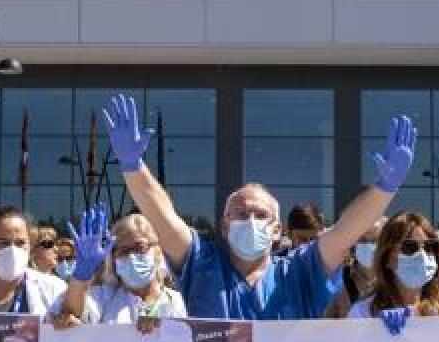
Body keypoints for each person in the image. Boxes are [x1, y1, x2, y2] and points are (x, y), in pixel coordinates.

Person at [104, 93, 415, 321]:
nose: (250, 220)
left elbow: (350, 229)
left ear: (277, 229)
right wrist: (133, 166)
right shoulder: (201, 263)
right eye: (240, 214)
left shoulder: (300, 270)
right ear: (224, 225)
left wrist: (385, 187)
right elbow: (161, 214)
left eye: (261, 215)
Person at [56, 207, 187, 327]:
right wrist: (81, 275)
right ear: (113, 259)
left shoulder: (181, 302)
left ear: (158, 251)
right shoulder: (104, 297)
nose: (131, 256)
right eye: (123, 250)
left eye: (139, 247)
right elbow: (72, 311)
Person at [348, 212, 439, 330]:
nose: (422, 255)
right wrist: (380, 337)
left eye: (429, 247)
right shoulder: (363, 313)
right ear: (387, 258)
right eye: (409, 247)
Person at [323, 217, 384, 318]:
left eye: (374, 241)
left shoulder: (393, 279)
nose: (368, 245)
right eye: (363, 240)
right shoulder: (338, 281)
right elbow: (324, 325)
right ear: (354, 243)